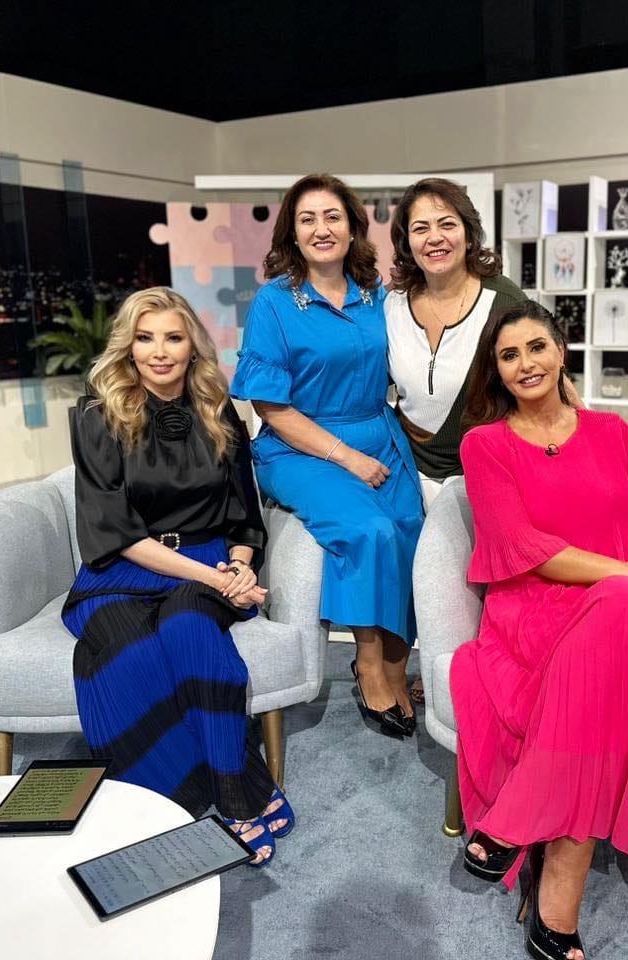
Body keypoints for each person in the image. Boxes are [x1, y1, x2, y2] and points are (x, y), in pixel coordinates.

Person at [451, 301, 628, 960]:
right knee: (620, 610)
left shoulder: (611, 432)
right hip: (538, 608)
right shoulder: (485, 445)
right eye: (509, 355)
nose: (526, 364)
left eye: (536, 347)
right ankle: (556, 892)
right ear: (497, 372)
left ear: (561, 353)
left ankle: (526, 829)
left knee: (621, 612)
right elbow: (523, 549)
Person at [61, 286, 294, 867]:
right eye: (145, 338)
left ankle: (235, 798)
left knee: (189, 629)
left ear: (193, 346)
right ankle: (177, 802)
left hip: (210, 560)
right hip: (123, 568)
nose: (159, 352)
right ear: (128, 346)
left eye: (173, 337)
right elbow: (116, 532)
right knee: (128, 652)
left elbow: (245, 516)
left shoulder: (219, 411)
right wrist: (217, 581)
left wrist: (237, 568)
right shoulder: (96, 415)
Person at [231, 173, 425, 738]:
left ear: (353, 227)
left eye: (333, 216)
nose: (322, 229)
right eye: (308, 219)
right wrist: (346, 457)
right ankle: (369, 663)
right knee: (368, 530)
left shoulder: (377, 295)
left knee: (412, 528)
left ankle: (398, 665)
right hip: (300, 446)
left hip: (378, 433)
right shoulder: (274, 303)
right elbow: (271, 408)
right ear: (292, 233)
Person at [384, 177, 529, 507]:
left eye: (447, 224)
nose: (435, 237)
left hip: (485, 473)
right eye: (420, 228)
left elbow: (550, 384)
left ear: (469, 233)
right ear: (407, 242)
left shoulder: (504, 300)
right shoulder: (391, 305)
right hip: (407, 474)